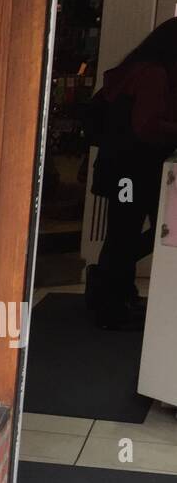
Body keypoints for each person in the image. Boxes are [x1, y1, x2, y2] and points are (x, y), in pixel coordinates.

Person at [86, 17, 177, 330]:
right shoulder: (154, 74)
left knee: (122, 230)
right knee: (145, 231)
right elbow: (146, 125)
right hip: (136, 168)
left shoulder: (133, 70)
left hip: (120, 168)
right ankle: (108, 286)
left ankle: (113, 292)